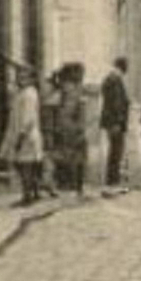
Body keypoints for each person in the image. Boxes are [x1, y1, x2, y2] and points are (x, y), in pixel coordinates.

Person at [0, 66, 45, 205]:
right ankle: (34, 191)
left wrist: (21, 135)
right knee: (22, 164)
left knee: (25, 165)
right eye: (19, 76)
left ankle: (28, 196)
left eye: (25, 77)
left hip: (26, 135)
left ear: (31, 79)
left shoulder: (29, 94)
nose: (21, 79)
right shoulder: (21, 93)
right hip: (20, 133)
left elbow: (28, 117)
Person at [52, 61, 89, 199]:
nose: (64, 86)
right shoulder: (67, 93)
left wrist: (79, 129)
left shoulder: (76, 94)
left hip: (72, 131)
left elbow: (80, 115)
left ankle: (74, 187)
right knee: (67, 158)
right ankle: (69, 186)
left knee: (74, 159)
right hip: (66, 131)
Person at [99, 56, 131, 194]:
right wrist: (118, 122)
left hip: (111, 122)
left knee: (114, 151)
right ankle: (113, 183)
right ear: (122, 67)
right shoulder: (116, 80)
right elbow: (117, 104)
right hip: (116, 123)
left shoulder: (109, 79)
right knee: (116, 152)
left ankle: (113, 182)